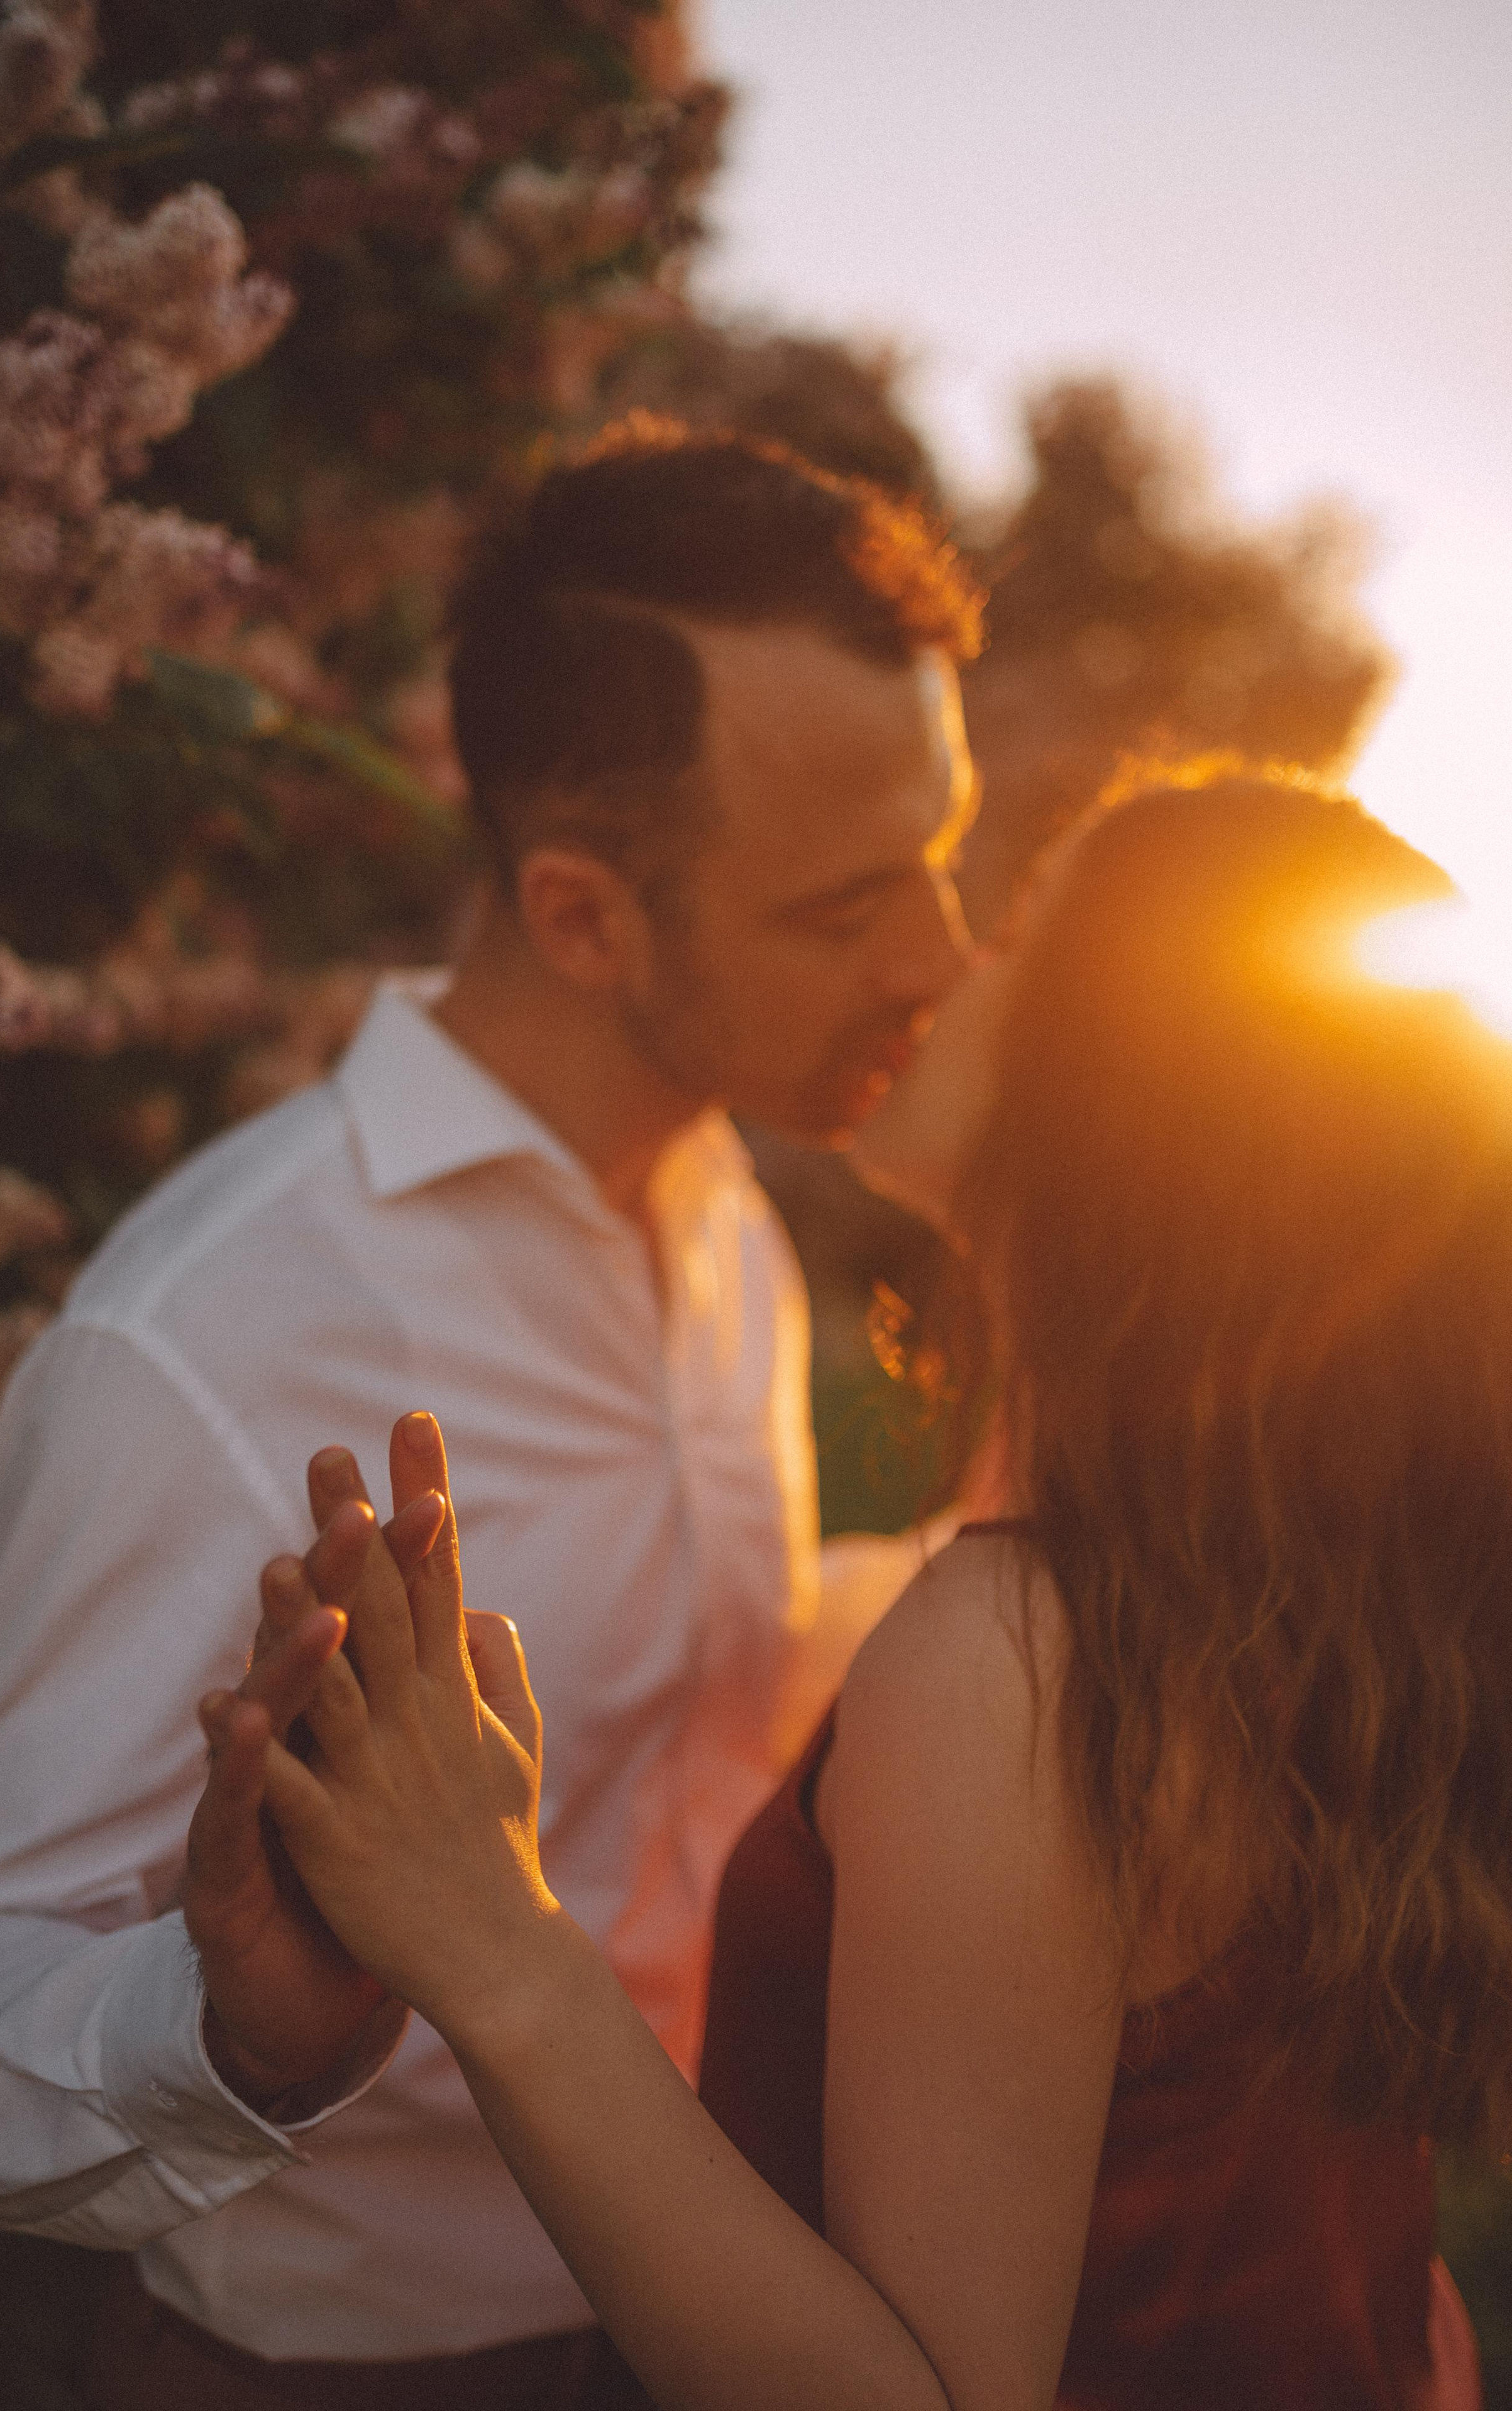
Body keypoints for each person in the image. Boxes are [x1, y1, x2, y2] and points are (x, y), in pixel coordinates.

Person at [0, 424, 982, 2408]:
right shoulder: (214, 1337)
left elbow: (681, 1712)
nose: (942, 950)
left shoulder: (726, 1214)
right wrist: (236, 2031)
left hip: (735, 2314)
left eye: (943, 851)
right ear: (580, 914)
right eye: (846, 908)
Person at [207, 773, 1493, 2408]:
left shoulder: (1022, 1666)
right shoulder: (1277, 1599)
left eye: (1019, 929)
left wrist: (492, 1938)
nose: (948, 959)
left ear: (1123, 1093)